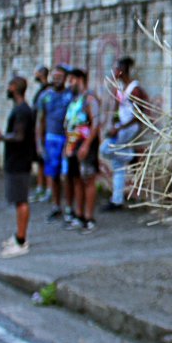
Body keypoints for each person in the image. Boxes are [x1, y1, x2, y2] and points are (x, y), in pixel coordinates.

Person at [0, 76, 36, 259]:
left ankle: (21, 241)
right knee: (18, 201)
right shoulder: (20, 109)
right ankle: (18, 235)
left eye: (9, 86)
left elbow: (19, 136)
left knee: (21, 200)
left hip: (19, 162)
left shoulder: (22, 111)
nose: (7, 89)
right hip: (17, 161)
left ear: (15, 88)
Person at [100, 56, 149, 211]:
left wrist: (120, 128)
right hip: (120, 127)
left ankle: (132, 155)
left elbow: (138, 116)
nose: (114, 72)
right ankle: (117, 200)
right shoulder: (119, 88)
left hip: (129, 129)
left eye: (117, 69)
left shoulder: (134, 89)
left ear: (123, 71)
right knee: (118, 165)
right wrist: (114, 124)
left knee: (105, 149)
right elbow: (117, 110)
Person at [62, 68, 102, 233]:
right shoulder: (74, 101)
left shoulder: (89, 99)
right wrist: (68, 145)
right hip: (73, 146)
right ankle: (78, 215)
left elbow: (96, 123)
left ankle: (89, 217)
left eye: (71, 80)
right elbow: (69, 125)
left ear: (80, 80)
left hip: (86, 147)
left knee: (88, 180)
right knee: (75, 179)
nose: (69, 84)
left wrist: (86, 145)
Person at [37, 65, 74, 223]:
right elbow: (40, 121)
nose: (57, 80)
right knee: (54, 175)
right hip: (51, 139)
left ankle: (69, 207)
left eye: (60, 77)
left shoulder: (70, 96)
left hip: (66, 139)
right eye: (55, 77)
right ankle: (56, 205)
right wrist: (39, 143)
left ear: (66, 79)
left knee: (67, 174)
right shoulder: (45, 96)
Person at [31, 66, 51, 202]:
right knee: (40, 160)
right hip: (39, 131)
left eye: (37, 72)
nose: (35, 74)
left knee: (46, 160)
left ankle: (48, 189)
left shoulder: (47, 90)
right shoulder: (42, 90)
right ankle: (40, 187)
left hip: (46, 132)